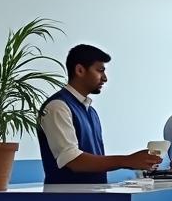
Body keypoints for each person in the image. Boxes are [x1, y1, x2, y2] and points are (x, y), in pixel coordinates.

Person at [37, 43, 160, 185]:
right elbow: (73, 161)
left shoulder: (91, 111)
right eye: (100, 70)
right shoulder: (58, 107)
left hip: (92, 199)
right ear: (80, 70)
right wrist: (127, 160)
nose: (105, 78)